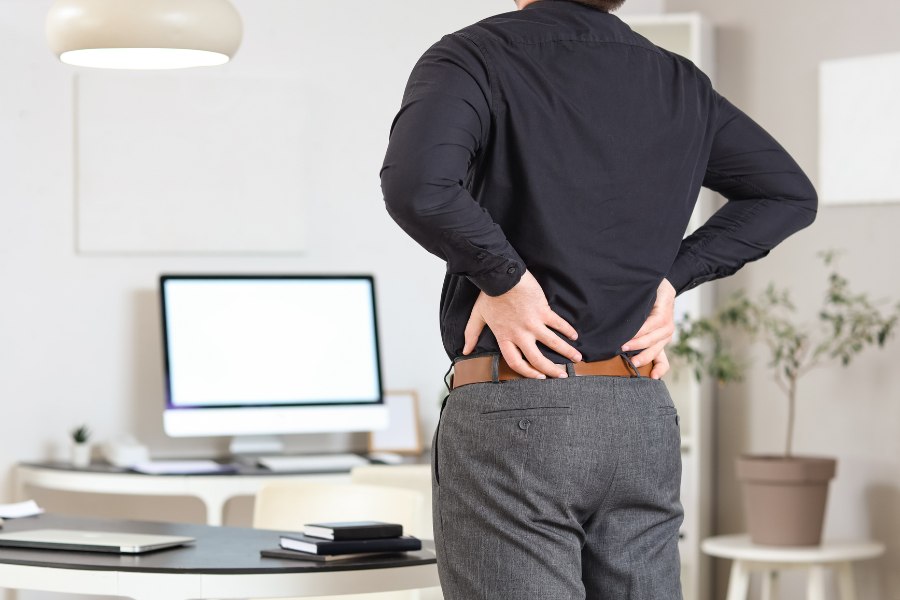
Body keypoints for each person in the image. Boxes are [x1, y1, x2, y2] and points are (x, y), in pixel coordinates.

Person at [380, 0, 817, 598]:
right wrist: (671, 278)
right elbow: (786, 194)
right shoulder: (678, 80)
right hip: (639, 413)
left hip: (519, 411)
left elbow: (418, 186)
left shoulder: (474, 55)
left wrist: (506, 280)